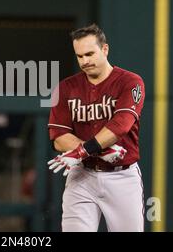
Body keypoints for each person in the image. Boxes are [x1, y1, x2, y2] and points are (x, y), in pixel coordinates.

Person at [47, 24, 145, 232]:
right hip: (82, 174)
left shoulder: (130, 82)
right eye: (79, 56)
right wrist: (100, 150)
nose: (85, 61)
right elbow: (58, 136)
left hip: (122, 176)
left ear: (105, 49)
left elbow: (120, 126)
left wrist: (83, 150)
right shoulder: (66, 87)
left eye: (90, 54)